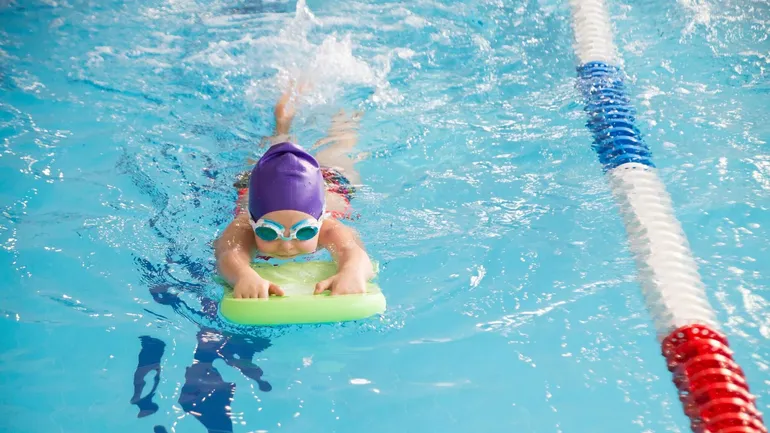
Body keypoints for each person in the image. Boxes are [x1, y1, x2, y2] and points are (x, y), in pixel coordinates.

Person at [214, 86, 373, 299]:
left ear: (320, 220)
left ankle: (346, 110)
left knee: (340, 146)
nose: (287, 246)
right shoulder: (243, 227)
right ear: (253, 222)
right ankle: (282, 120)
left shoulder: (328, 228)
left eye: (305, 231)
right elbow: (228, 254)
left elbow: (353, 253)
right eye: (268, 232)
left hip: (333, 182)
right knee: (275, 145)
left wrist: (352, 271)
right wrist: (242, 275)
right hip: (261, 183)